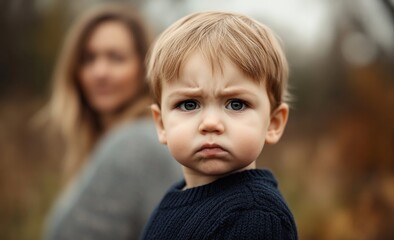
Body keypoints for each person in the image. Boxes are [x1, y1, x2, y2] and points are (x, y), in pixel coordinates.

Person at [140, 11, 298, 239]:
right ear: (161, 124)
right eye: (188, 104)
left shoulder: (255, 216)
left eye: (236, 104)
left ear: (273, 123)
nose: (211, 123)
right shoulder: (175, 197)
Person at [42, 4, 181, 240]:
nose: (100, 71)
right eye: (88, 58)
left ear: (144, 68)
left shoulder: (135, 143)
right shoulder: (115, 142)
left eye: (116, 58)